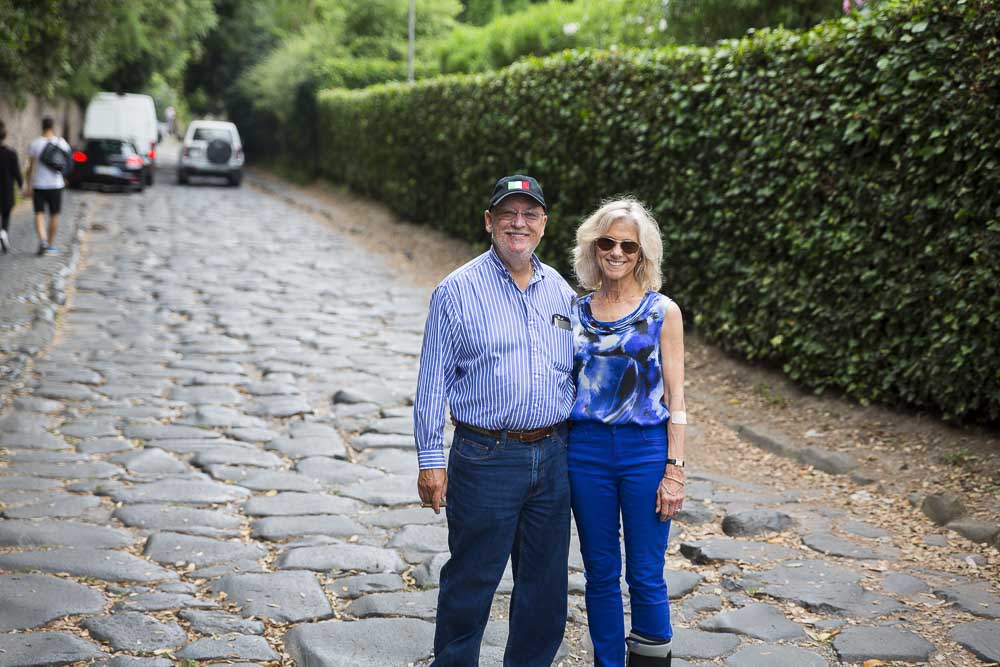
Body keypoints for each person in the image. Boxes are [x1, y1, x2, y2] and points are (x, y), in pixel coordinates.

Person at [414, 174, 576, 666]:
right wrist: (429, 459)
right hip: (485, 457)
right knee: (471, 581)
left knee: (545, 587)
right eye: (508, 213)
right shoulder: (456, 291)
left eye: (530, 214)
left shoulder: (562, 292)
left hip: (552, 456)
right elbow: (431, 383)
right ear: (490, 222)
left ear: (544, 225)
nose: (518, 223)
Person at [569, 198, 687, 667]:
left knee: (645, 572)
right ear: (593, 248)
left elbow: (677, 399)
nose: (616, 252)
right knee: (599, 573)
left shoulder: (663, 312)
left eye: (628, 246)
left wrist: (675, 470)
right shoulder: (575, 311)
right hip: (585, 453)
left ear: (643, 255)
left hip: (644, 451)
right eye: (607, 243)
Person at [24, 116, 70, 256]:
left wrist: (28, 185)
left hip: (39, 184)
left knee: (39, 213)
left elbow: (30, 168)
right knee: (54, 214)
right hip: (56, 184)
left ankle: (42, 240)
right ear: (52, 126)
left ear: (42, 126)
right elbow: (67, 163)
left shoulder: (35, 143)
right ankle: (50, 245)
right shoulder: (62, 142)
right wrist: (65, 177)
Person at [0, 121, 23, 254]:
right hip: (6, 190)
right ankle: (3, 233)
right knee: (6, 214)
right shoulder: (11, 153)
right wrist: (20, 185)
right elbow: (17, 172)